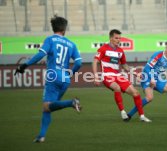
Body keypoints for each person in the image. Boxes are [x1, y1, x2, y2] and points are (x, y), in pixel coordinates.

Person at [14, 15, 82, 143]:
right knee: (49, 107)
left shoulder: (50, 40)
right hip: (65, 79)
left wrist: (25, 65)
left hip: (53, 76)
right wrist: (70, 74)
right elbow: (79, 63)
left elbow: (41, 54)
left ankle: (71, 103)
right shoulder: (71, 44)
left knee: (47, 105)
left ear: (53, 28)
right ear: (64, 29)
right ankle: (41, 136)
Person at [92, 29, 151, 122]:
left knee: (136, 93)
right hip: (107, 75)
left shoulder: (120, 51)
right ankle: (123, 112)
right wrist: (96, 76)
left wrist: (135, 74)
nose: (118, 40)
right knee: (117, 88)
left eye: (120, 38)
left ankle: (142, 116)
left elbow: (124, 65)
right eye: (116, 38)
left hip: (118, 75)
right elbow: (95, 61)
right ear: (111, 38)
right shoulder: (103, 48)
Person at [127, 40, 167, 120]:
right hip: (147, 77)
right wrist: (152, 78)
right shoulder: (158, 55)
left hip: (159, 79)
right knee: (149, 98)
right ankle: (129, 115)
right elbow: (147, 68)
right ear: (166, 48)